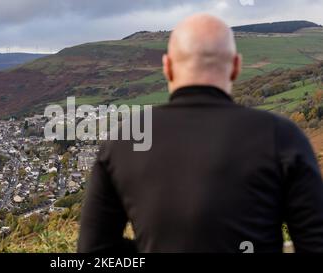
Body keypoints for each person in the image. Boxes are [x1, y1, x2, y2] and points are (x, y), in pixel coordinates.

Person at [78, 14, 323, 253]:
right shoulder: (281, 136)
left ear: (167, 67)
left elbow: (94, 249)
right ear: (236, 67)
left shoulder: (126, 139)